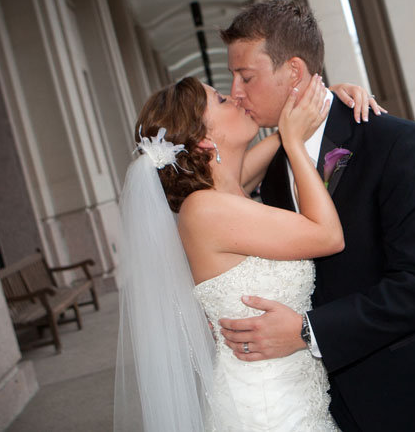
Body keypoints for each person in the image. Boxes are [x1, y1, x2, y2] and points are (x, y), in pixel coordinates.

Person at [217, 0, 415, 432]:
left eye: (246, 76)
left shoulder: (395, 143)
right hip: (330, 409)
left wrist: (307, 332)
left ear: (293, 72)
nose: (235, 91)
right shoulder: (270, 171)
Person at [113, 72, 382, 431]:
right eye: (221, 100)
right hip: (267, 410)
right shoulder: (203, 211)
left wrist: (329, 97)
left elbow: (276, 144)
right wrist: (293, 143)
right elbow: (328, 235)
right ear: (205, 140)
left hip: (294, 396)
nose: (236, 97)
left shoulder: (227, 192)